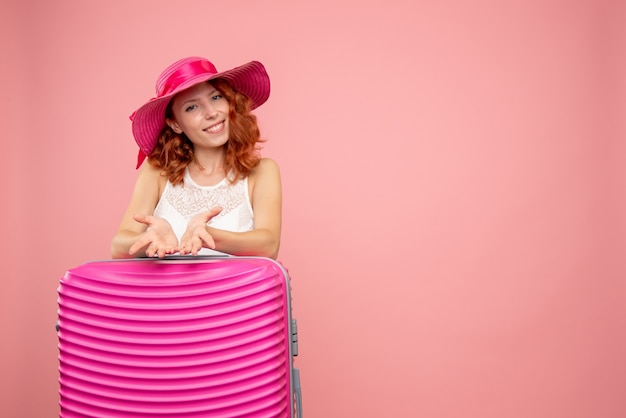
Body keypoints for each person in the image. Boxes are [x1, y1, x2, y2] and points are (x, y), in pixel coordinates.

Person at [110, 56, 281, 260]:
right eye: (192, 107)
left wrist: (207, 235)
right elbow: (118, 246)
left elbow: (269, 245)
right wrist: (151, 238)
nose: (211, 113)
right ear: (175, 124)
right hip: (166, 292)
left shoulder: (262, 171)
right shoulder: (157, 171)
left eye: (216, 97)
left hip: (235, 292)